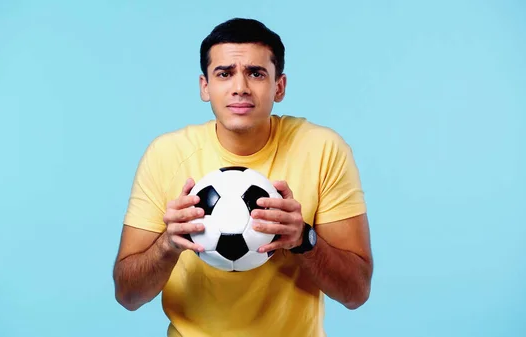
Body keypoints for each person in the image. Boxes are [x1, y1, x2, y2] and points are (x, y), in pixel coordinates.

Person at [113, 17, 373, 337]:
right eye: (224, 74)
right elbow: (127, 296)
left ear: (279, 86)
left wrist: (303, 239)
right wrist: (167, 244)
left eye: (256, 73)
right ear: (204, 86)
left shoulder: (322, 149)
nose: (240, 87)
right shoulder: (166, 154)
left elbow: (356, 292)